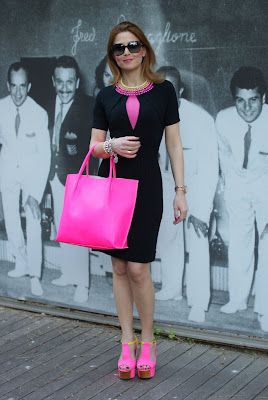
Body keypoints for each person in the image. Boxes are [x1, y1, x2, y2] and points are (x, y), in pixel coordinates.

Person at [90, 21, 188, 379]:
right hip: (114, 183)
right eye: (119, 48)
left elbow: (174, 145)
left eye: (133, 46)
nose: (126, 53)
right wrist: (110, 146)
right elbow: (94, 147)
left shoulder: (164, 92)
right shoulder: (104, 96)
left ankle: (149, 341)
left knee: (138, 267)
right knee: (118, 267)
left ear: (144, 49)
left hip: (147, 184)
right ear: (112, 55)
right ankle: (126, 342)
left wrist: (181, 191)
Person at [156, 67, 218, 323]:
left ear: (180, 90)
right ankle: (172, 289)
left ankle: (198, 303)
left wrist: (201, 211)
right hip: (167, 183)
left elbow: (209, 169)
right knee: (169, 237)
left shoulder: (201, 120)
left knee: (197, 241)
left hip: (195, 186)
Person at [216, 66, 268, 332]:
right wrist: (230, 194)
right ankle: (238, 299)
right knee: (239, 243)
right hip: (238, 184)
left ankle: (266, 308)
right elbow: (225, 160)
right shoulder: (223, 120)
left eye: (254, 100)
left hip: (266, 186)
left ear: (264, 97)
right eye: (240, 100)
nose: (247, 107)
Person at [46, 56, 98, 303]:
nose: (64, 88)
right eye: (60, 82)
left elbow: (96, 149)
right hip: (56, 177)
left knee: (78, 233)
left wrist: (88, 183)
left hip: (79, 179)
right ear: (53, 82)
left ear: (77, 82)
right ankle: (68, 273)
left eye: (70, 82)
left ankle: (83, 284)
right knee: (62, 228)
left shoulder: (88, 106)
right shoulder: (48, 104)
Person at [0, 62, 51, 296]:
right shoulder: (1, 108)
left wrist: (36, 192)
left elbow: (45, 156)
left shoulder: (39, 113)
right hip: (8, 174)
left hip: (32, 176)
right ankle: (20, 263)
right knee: (11, 221)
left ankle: (34, 275)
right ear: (8, 86)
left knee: (33, 222)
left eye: (22, 86)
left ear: (28, 86)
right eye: (13, 86)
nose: (18, 92)